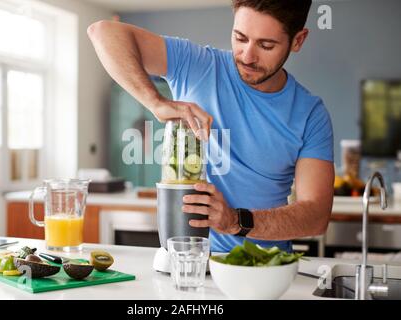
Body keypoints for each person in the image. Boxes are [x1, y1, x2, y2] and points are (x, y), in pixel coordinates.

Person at [87, 0, 334, 253]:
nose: (248, 56)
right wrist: (156, 102)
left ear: (298, 40)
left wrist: (234, 221)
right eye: (240, 38)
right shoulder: (197, 64)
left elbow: (316, 216)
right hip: (187, 266)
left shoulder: (310, 114)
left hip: (266, 272)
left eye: (266, 45)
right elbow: (103, 32)